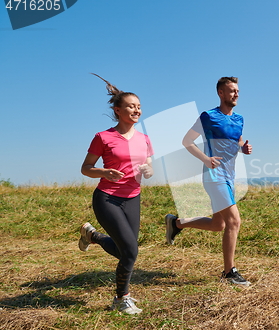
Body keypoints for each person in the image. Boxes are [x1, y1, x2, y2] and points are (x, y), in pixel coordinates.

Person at [165, 76, 252, 286]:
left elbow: (238, 140)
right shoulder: (208, 116)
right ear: (221, 93)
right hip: (214, 177)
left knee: (217, 224)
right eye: (231, 90)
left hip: (229, 177)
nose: (236, 94)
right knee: (234, 221)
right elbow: (187, 141)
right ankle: (229, 272)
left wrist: (243, 148)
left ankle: (176, 223)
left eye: (237, 90)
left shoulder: (239, 119)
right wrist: (206, 158)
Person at [79, 74, 154, 315]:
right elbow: (86, 168)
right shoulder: (103, 137)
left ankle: (93, 237)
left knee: (126, 249)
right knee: (131, 251)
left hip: (133, 197)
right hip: (107, 198)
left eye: (139, 107)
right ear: (117, 110)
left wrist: (148, 169)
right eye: (131, 106)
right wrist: (104, 171)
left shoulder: (144, 139)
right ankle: (121, 298)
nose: (137, 110)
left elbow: (149, 166)